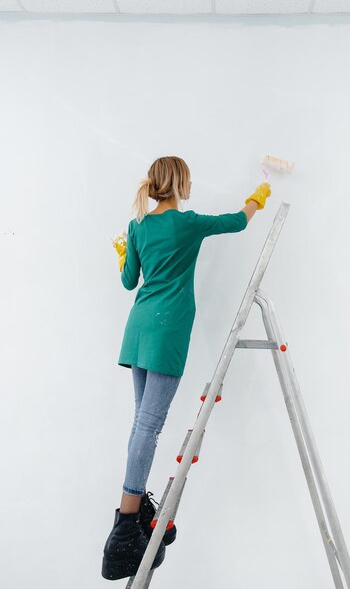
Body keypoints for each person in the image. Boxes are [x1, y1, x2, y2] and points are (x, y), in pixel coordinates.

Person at [102, 156, 271, 580]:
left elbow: (129, 282)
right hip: (166, 332)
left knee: (141, 423)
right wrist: (259, 196)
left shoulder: (138, 225)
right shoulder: (186, 222)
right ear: (178, 183)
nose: (192, 184)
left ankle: (135, 513)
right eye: (189, 179)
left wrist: (126, 250)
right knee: (149, 426)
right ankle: (124, 528)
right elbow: (238, 221)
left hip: (138, 329)